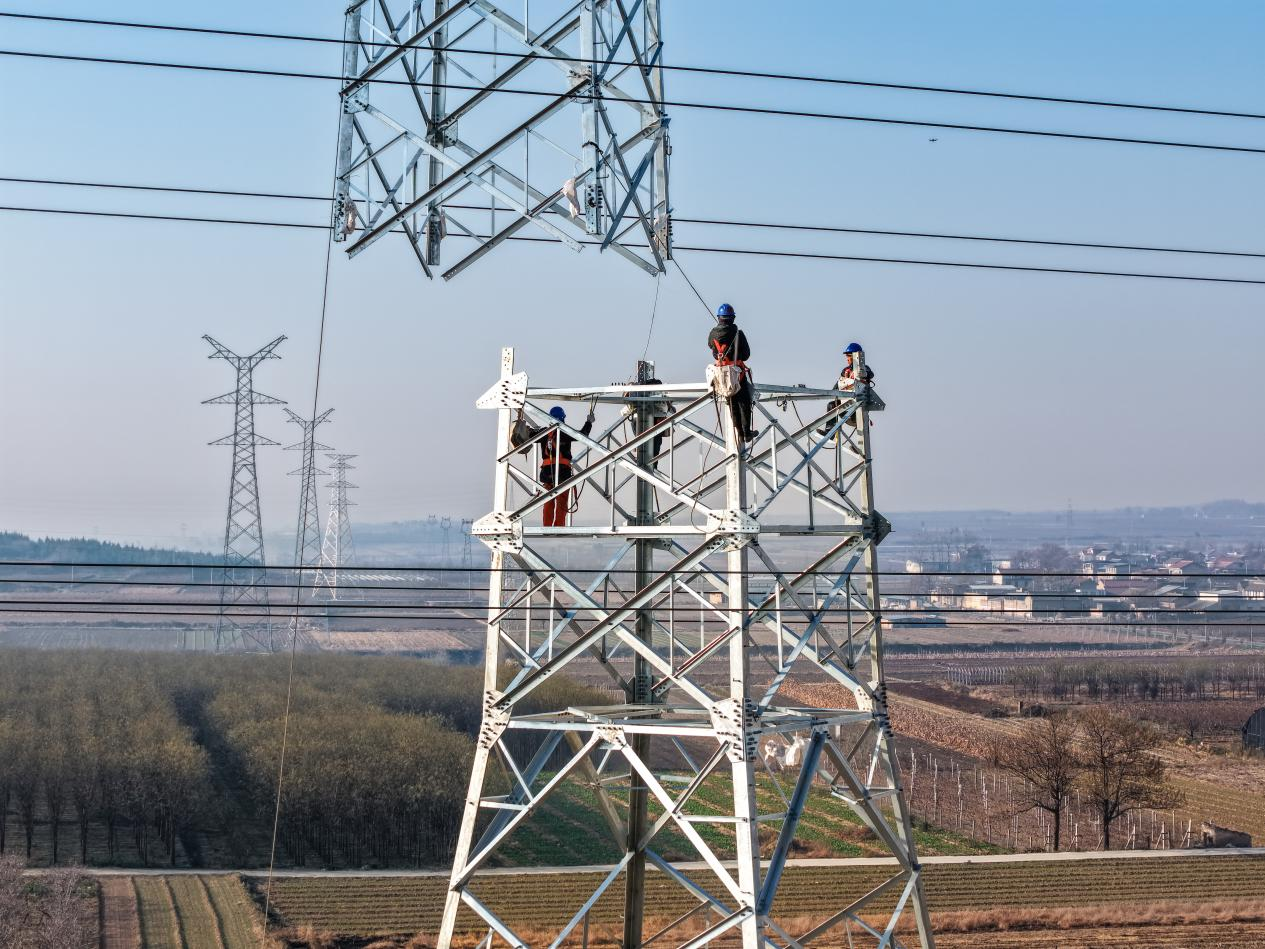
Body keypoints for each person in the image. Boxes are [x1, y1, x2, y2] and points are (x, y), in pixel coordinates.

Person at [533, 405, 592, 526]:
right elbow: (583, 435)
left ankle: (547, 527)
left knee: (548, 501)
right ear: (562, 418)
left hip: (547, 474)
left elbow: (528, 437)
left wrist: (527, 428)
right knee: (562, 500)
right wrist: (589, 421)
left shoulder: (543, 433)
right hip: (562, 473)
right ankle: (558, 525)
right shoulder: (565, 432)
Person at [707, 303, 756, 442]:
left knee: (732, 402)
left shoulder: (713, 334)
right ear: (732, 318)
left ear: (719, 318)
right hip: (737, 373)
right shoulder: (738, 333)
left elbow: (712, 349)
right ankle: (746, 433)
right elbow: (746, 355)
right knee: (744, 402)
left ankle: (739, 432)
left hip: (722, 375)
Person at [820, 342, 874, 435]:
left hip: (859, 407)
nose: (847, 359)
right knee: (831, 405)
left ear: (855, 356)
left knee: (863, 421)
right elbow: (836, 388)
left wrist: (862, 373)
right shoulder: (845, 371)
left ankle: (859, 448)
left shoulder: (865, 369)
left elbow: (870, 374)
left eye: (848, 356)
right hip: (846, 406)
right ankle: (829, 433)